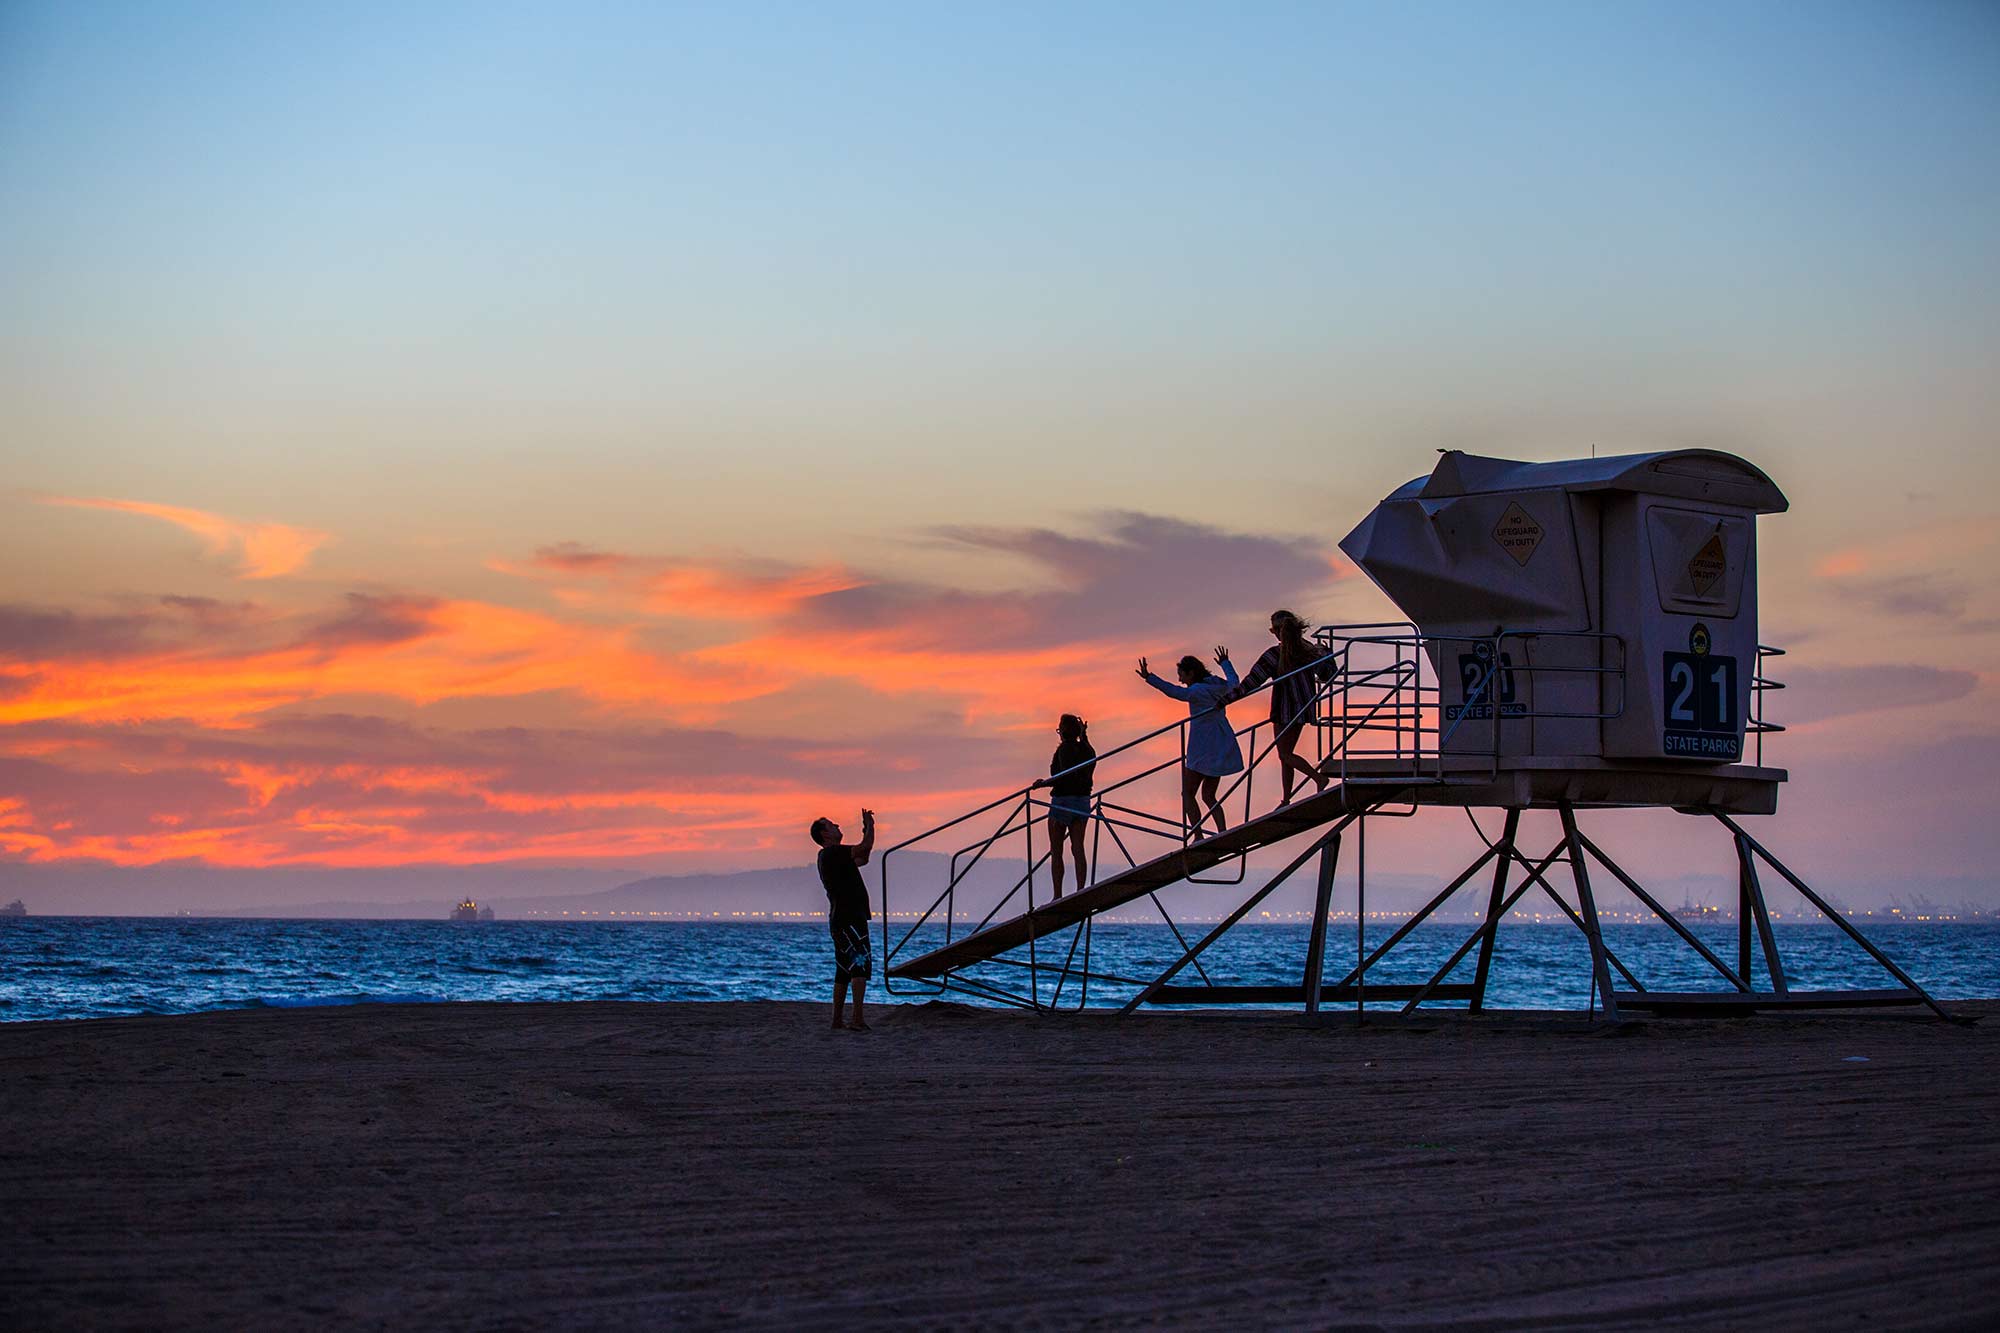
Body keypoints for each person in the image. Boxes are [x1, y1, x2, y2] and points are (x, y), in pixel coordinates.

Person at [1232, 609, 1336, 804]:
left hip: (1285, 709)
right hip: (1303, 708)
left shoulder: (1275, 654)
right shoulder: (1309, 650)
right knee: (1285, 754)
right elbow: (1327, 674)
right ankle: (1286, 798)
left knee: (1285, 753)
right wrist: (1328, 654)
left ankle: (1318, 778)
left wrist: (1227, 700)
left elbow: (1252, 682)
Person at [1137, 648, 1242, 839]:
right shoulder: (1218, 685)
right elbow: (1235, 684)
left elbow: (1173, 691)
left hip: (1203, 746)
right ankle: (1223, 832)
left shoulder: (1196, 692)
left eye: (1182, 675)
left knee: (1188, 793)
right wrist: (1226, 663)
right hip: (1221, 742)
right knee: (1209, 796)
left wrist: (1149, 678)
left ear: (1191, 673)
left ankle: (1198, 835)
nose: (1181, 680)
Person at [811, 809, 875, 1031]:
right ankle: (857, 1018)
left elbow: (863, 858)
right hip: (849, 917)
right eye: (831, 825)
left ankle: (837, 1020)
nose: (837, 825)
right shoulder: (832, 853)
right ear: (824, 834)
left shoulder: (833, 857)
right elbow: (864, 848)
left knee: (843, 969)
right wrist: (870, 827)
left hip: (841, 918)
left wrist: (867, 831)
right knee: (859, 965)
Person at [1030, 714, 1095, 898]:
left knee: (1057, 850)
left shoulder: (1065, 749)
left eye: (1059, 728)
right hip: (1082, 802)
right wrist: (1085, 736)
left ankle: (1057, 894)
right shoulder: (1087, 750)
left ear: (1064, 731)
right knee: (1078, 848)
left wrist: (1044, 783)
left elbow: (1066, 776)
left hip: (1063, 802)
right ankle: (1081, 890)